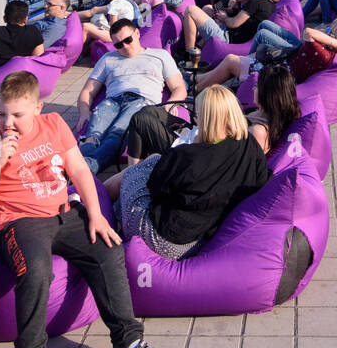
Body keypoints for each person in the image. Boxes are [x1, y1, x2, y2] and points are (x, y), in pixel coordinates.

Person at [0, 70, 179, 348]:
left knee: (109, 251)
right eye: (2, 114)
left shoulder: (53, 125)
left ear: (38, 108)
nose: (8, 123)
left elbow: (79, 170)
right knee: (36, 272)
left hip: (64, 214)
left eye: (18, 115)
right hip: (18, 221)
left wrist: (95, 214)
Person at [114, 87, 271, 259]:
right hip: (199, 237)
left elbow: (155, 189)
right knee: (154, 161)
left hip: (164, 239)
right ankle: (114, 210)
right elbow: (262, 180)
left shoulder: (187, 156)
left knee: (137, 170)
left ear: (205, 119)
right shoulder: (252, 148)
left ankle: (104, 211)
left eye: (197, 115)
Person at [76, 20, 187, 173]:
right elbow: (88, 90)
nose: (125, 47)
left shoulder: (160, 56)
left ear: (137, 33)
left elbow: (179, 87)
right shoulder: (107, 59)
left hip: (142, 101)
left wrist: (169, 104)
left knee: (116, 135)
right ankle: (77, 172)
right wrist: (84, 110)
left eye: (128, 40)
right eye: (119, 44)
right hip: (112, 101)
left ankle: (80, 171)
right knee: (91, 137)